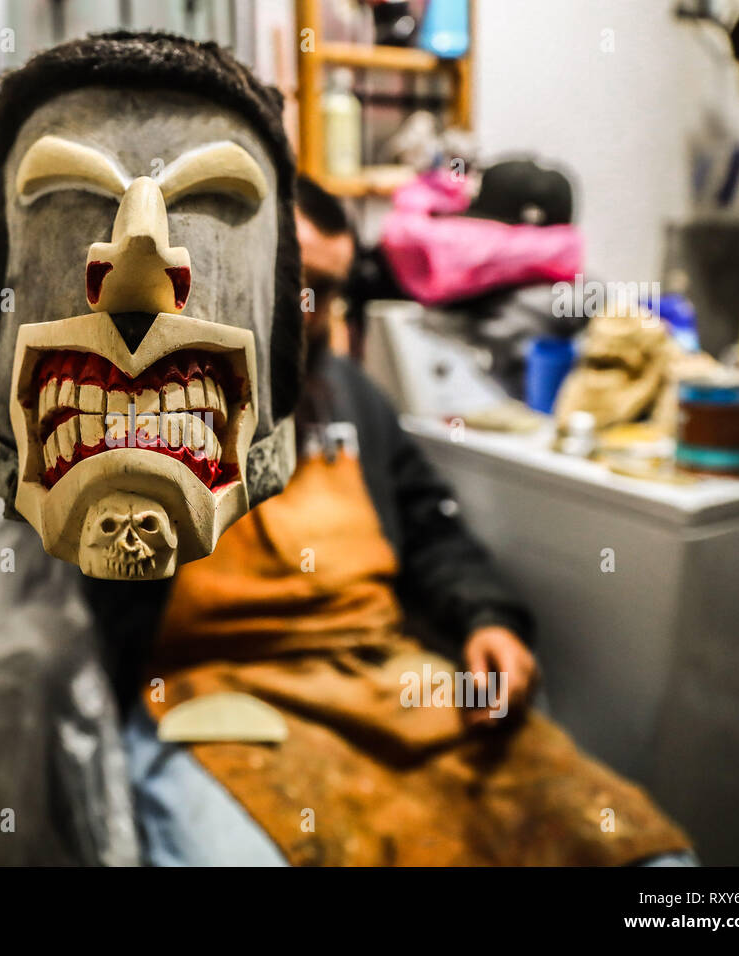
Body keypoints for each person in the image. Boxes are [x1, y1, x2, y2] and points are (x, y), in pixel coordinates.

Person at [121, 175, 695, 866]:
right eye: (287, 280)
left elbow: (430, 528)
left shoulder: (349, 395)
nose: (308, 310)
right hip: (215, 695)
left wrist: (489, 620)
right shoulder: (129, 407)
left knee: (633, 850)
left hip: (382, 682)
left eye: (327, 291)